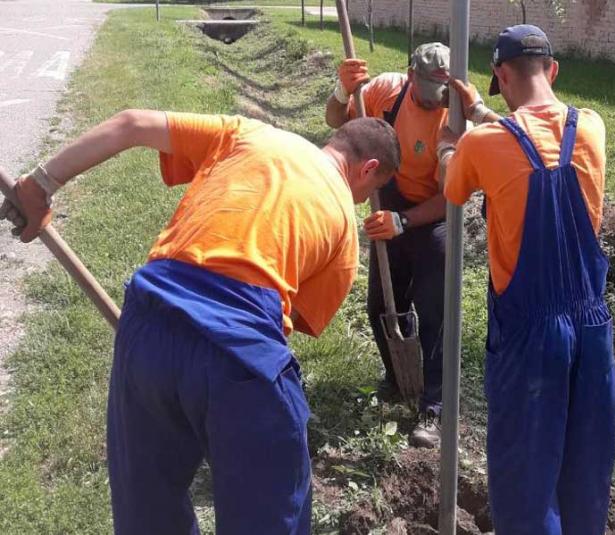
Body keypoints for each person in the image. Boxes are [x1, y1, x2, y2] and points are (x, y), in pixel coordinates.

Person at [0, 110, 400, 535]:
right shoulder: (344, 231)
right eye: (371, 191)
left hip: (150, 321)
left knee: (148, 512)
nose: (362, 201)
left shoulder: (248, 134)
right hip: (239, 349)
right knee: (271, 513)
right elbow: (286, 324)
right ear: (368, 169)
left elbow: (131, 124)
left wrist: (40, 184)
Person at [441, 25, 615, 535]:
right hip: (592, 330)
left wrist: (450, 143)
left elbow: (453, 185)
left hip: (530, 337)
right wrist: (482, 114)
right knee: (586, 473)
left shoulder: (482, 145)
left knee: (526, 483)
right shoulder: (592, 127)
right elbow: (536, 143)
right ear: (553, 69)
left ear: (501, 75)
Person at [325, 42, 470, 449]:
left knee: (435, 312)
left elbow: (452, 197)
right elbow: (336, 121)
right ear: (410, 76)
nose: (437, 99)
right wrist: (342, 90)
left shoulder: (456, 119)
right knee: (381, 307)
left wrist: (403, 221)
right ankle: (399, 378)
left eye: (444, 90)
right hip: (388, 203)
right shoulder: (385, 92)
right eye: (430, 90)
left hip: (433, 217)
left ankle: (434, 406)